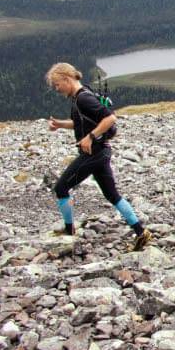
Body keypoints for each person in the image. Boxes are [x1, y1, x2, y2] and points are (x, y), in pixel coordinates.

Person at [45, 63, 152, 251]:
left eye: (57, 84)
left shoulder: (82, 98)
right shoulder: (82, 95)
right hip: (101, 152)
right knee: (112, 195)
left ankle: (69, 231)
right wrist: (60, 125)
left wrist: (90, 137)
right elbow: (80, 122)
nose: (57, 89)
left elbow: (110, 118)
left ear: (66, 79)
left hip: (93, 153)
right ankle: (141, 232)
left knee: (61, 188)